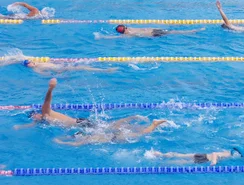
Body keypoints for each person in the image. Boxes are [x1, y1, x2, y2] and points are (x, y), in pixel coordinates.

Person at [12, 78, 148, 130]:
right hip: (80, 125)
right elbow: (32, 124)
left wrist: (50, 88)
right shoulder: (43, 120)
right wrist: (20, 127)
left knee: (110, 129)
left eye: (34, 116)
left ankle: (132, 119)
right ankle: (132, 121)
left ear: (36, 114)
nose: (35, 119)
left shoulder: (45, 113)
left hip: (81, 123)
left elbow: (47, 101)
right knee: (108, 127)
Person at [53, 118, 166, 146]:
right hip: (113, 135)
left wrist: (60, 142)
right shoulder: (90, 135)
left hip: (115, 138)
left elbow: (75, 144)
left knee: (142, 134)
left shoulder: (87, 139)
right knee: (139, 132)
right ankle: (153, 124)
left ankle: (154, 124)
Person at [148, 146, 244, 165]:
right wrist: (214, 162)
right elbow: (215, 154)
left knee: (181, 155)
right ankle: (162, 164)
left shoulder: (228, 151)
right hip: (204, 159)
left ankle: (159, 154)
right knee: (182, 162)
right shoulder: (228, 154)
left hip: (203, 155)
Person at [98, 25, 205, 39]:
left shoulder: (127, 34)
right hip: (153, 31)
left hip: (153, 33)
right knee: (173, 31)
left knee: (173, 32)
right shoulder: (130, 30)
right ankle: (191, 31)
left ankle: (191, 31)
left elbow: (115, 37)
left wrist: (101, 37)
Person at [22, 59, 118, 74]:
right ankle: (105, 70)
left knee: (83, 65)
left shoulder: (38, 63)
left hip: (61, 66)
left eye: (30, 61)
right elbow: (47, 75)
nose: (31, 62)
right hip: (61, 69)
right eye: (29, 63)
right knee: (82, 67)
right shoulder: (36, 69)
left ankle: (104, 68)